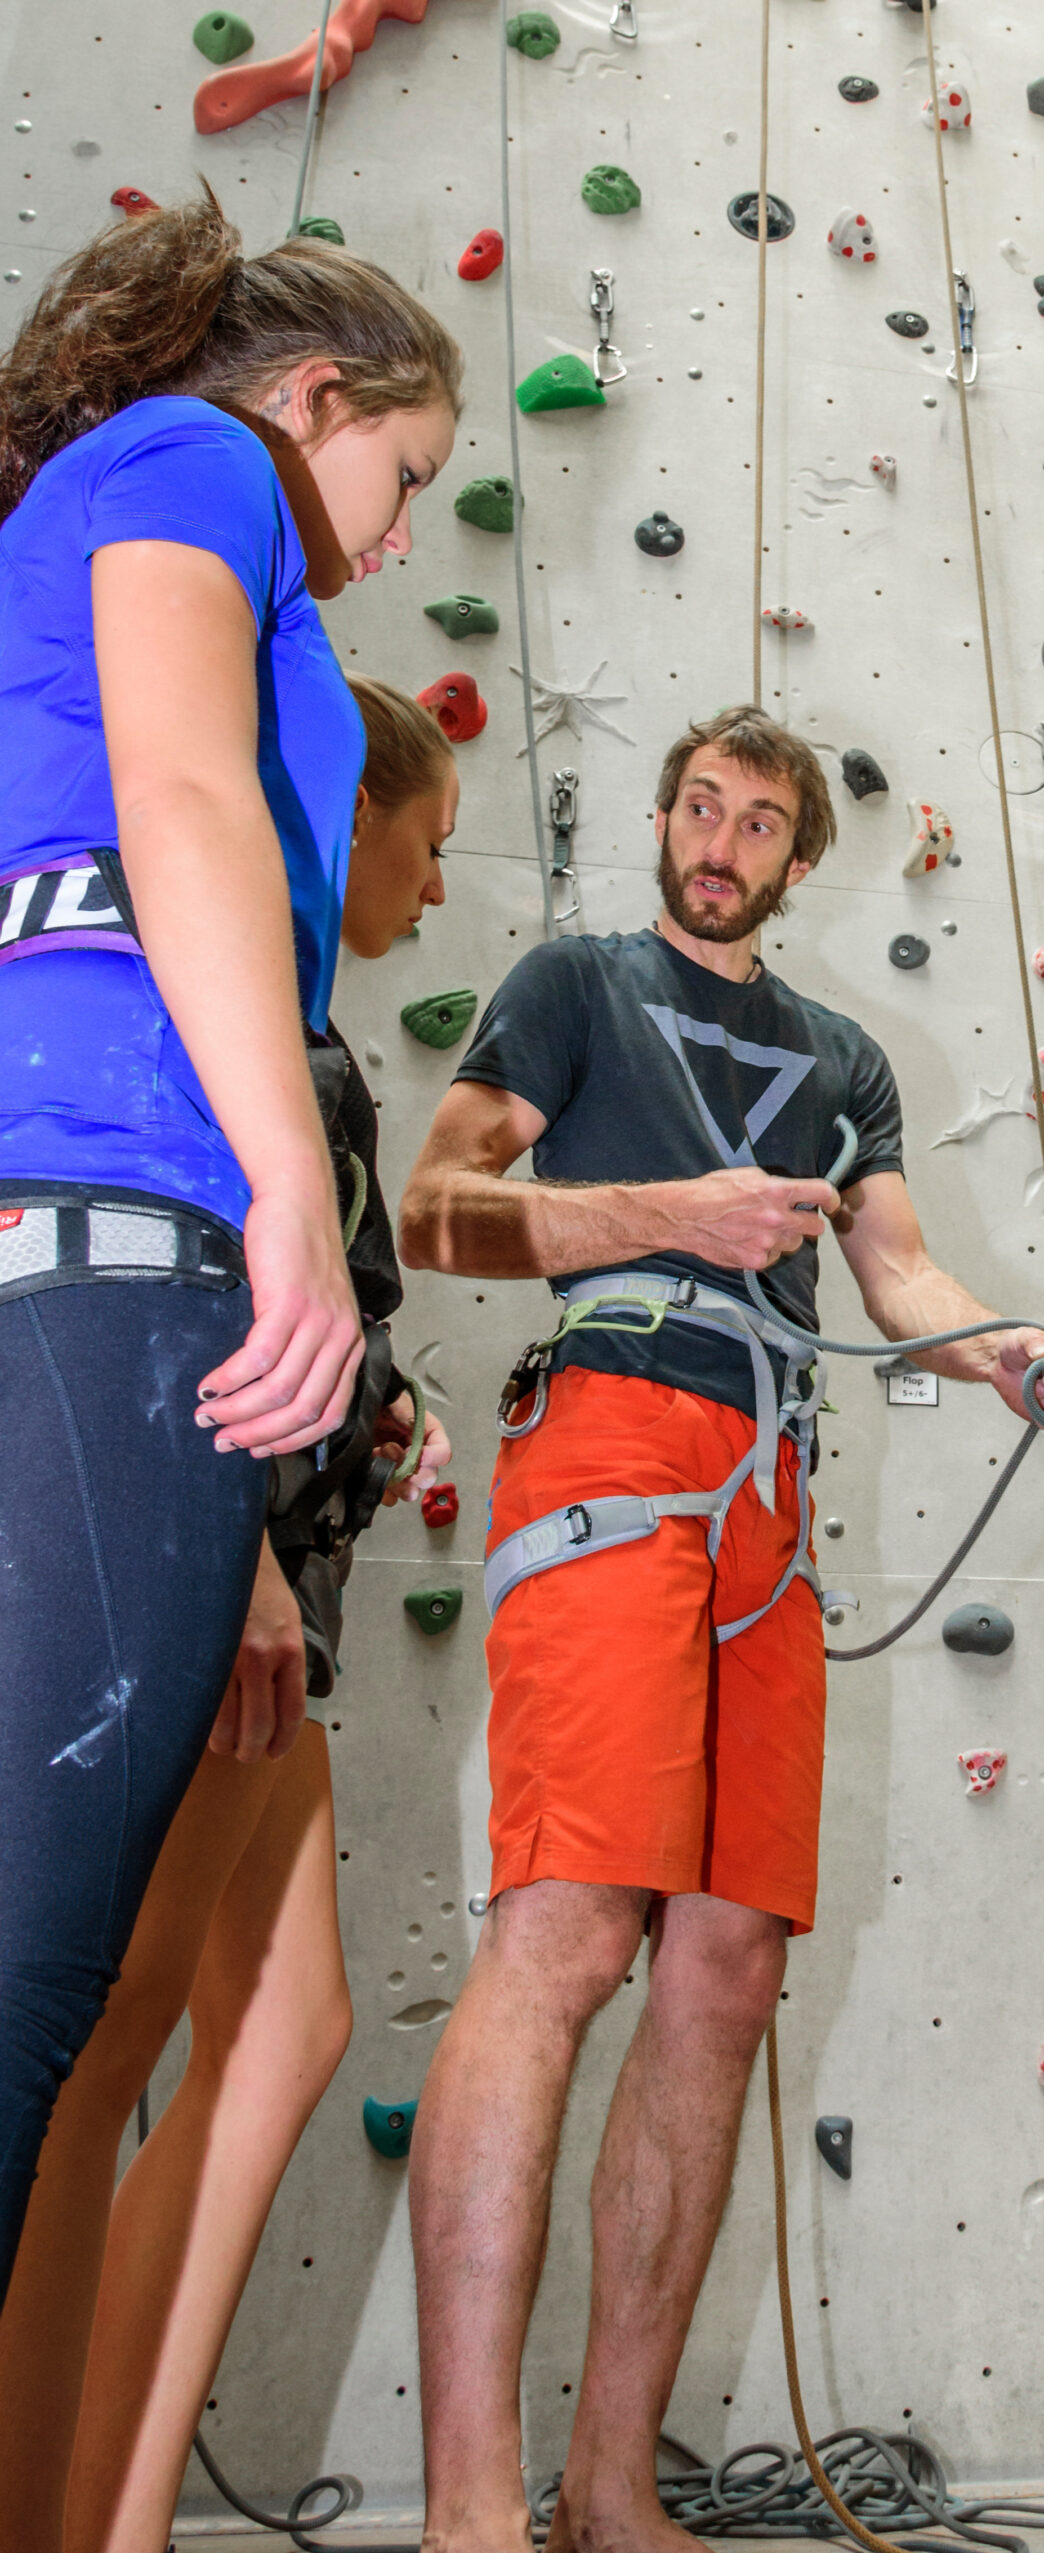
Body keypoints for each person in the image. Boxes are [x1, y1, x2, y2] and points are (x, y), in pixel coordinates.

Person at [396, 704, 1044, 2553]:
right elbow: (442, 1208)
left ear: (798, 861)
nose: (720, 839)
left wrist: (1002, 1348)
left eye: (759, 821)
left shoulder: (842, 1055)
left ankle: (611, 2492)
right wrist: (672, 1214)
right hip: (613, 1433)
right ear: (662, 818)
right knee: (561, 1937)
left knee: (723, 1975)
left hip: (772, 1493)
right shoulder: (574, 987)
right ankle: (471, 2507)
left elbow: (893, 1268)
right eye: (700, 806)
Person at [0, 189, 461, 2299]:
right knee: (30, 1989)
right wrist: (289, 1184)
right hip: (113, 1195)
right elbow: (182, 797)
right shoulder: (201, 463)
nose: (383, 538)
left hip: (57, 1189)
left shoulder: (79, 513)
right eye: (403, 473)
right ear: (312, 397)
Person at [0, 677, 457, 2553]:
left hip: (278, 1591)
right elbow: (183, 1331)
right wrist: (246, 1552)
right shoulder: (254, 1027)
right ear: (353, 814)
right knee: (106, 2046)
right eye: (425, 838)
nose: (435, 882)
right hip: (218, 1583)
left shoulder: (311, 1040)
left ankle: (103, 2510)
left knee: (282, 2028)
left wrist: (374, 1414)